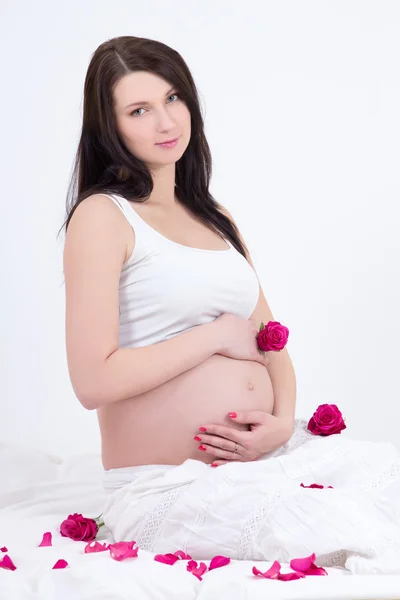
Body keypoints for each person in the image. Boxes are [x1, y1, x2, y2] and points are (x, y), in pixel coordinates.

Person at [62, 36, 400, 574]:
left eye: (173, 99)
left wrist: (282, 423)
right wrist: (215, 338)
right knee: (344, 530)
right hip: (163, 482)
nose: (166, 122)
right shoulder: (104, 217)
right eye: (139, 110)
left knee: (392, 483)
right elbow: (92, 381)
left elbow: (271, 341)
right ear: (111, 126)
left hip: (265, 457)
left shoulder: (214, 216)